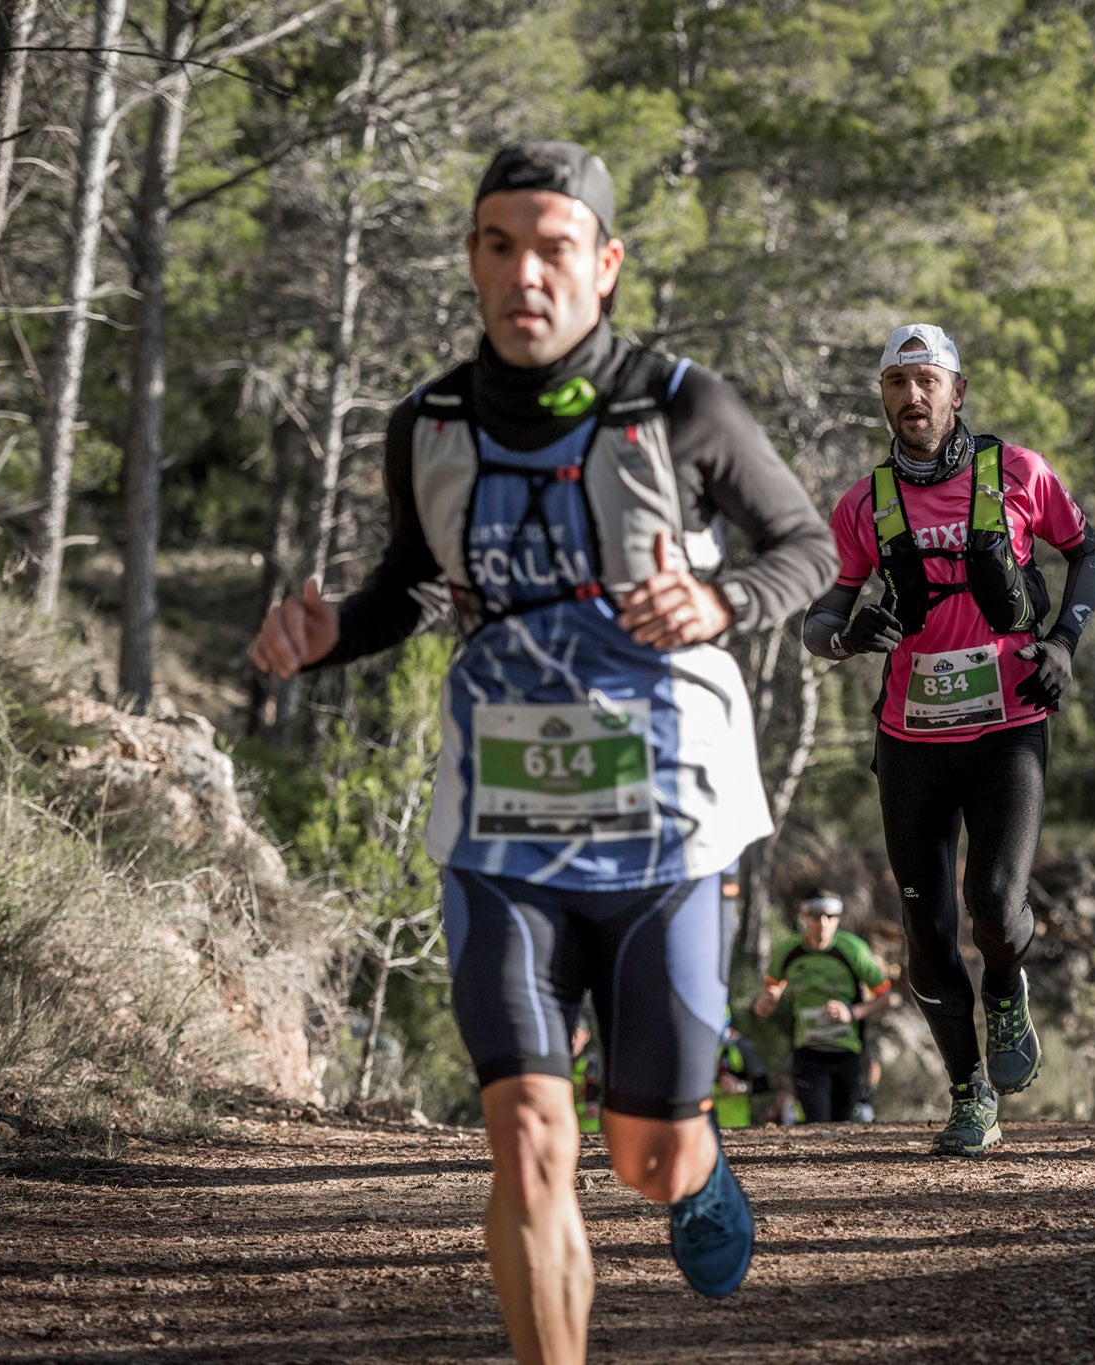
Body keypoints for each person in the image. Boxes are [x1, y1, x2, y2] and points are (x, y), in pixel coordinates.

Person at [247, 141, 835, 1360]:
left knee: (647, 1160)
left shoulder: (682, 407)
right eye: (500, 245)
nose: (528, 273)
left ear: (604, 266)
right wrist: (327, 637)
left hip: (661, 831)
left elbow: (808, 550)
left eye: (555, 247)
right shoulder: (428, 425)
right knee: (526, 1139)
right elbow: (412, 590)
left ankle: (698, 1169)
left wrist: (724, 604)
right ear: (472, 260)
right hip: (500, 830)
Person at [802, 324, 1095, 1157]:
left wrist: (1063, 644)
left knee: (997, 902)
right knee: (927, 930)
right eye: (898, 383)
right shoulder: (864, 504)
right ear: (884, 399)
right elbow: (818, 620)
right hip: (911, 740)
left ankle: (1007, 985)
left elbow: (1090, 552)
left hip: (1009, 725)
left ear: (957, 391)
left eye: (927, 380)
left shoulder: (1018, 473)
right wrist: (849, 633)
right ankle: (970, 1093)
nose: (913, 397)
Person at [752, 890, 894, 1123]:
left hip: (847, 1051)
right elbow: (772, 986)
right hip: (808, 1052)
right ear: (804, 916)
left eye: (830, 916)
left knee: (843, 1122)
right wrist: (767, 1001)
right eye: (816, 916)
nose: (823, 923)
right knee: (816, 1121)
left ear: (838, 918)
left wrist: (851, 1013)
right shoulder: (789, 951)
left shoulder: (854, 950)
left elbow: (884, 997)